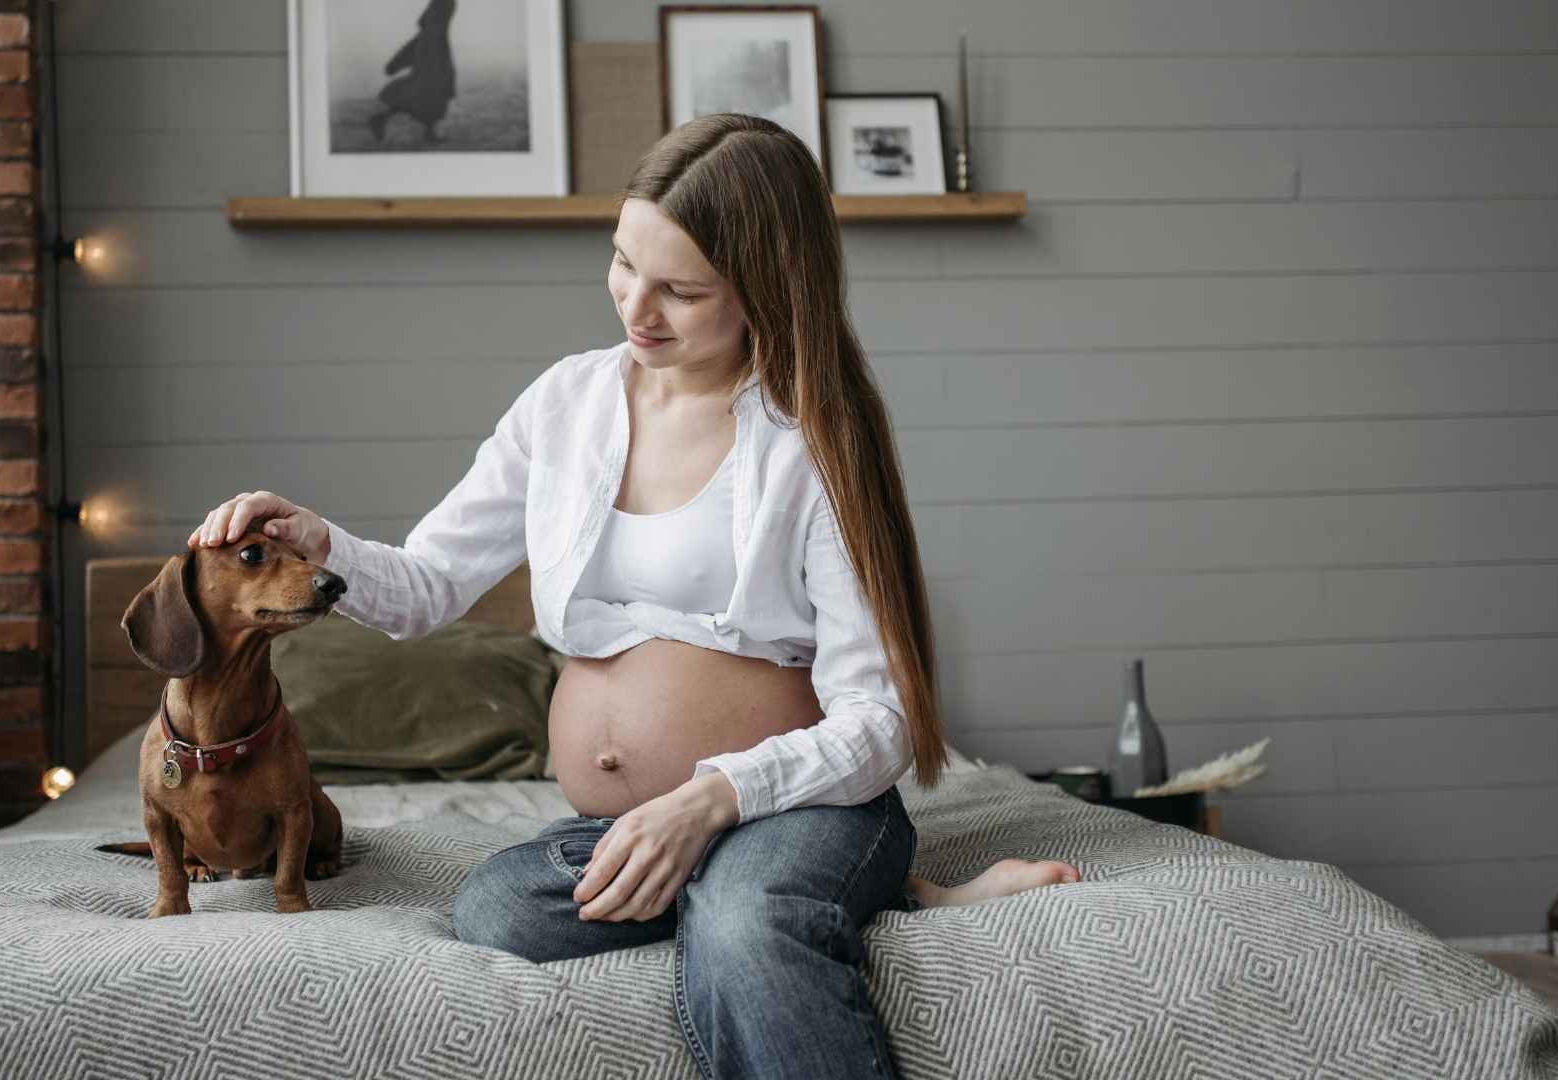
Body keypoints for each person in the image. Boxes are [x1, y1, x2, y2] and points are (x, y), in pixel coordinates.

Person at [187, 112, 1081, 1079]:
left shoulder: (811, 442)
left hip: (799, 802)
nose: (636, 308)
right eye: (622, 264)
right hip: (621, 819)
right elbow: (431, 584)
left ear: (767, 290)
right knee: (498, 908)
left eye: (682, 290)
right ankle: (887, 891)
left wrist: (707, 802)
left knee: (744, 926)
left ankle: (820, 876)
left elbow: (882, 721)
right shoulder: (565, 404)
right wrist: (324, 543)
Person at [367, 0, 455, 145]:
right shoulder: (442, 6)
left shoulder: (443, 6)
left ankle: (428, 132)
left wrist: (396, 63)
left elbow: (424, 33)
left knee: (431, 93)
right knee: (428, 92)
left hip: (436, 50)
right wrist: (397, 63)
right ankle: (380, 119)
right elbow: (426, 33)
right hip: (433, 53)